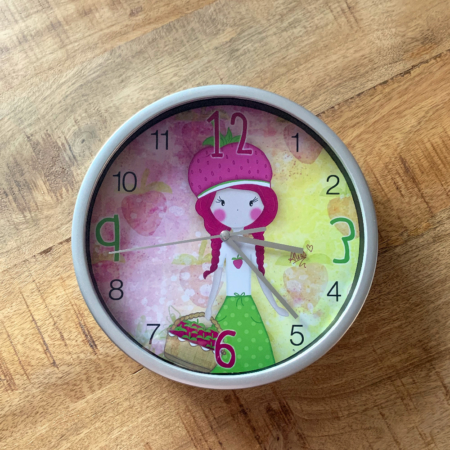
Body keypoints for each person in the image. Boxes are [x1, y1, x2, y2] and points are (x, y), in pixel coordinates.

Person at [188, 137, 288, 372]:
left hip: (248, 305)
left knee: (252, 348)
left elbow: (261, 279)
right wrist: (209, 307)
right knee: (225, 347)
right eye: (222, 202)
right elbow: (217, 278)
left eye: (250, 202)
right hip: (231, 305)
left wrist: (275, 306)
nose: (235, 210)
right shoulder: (225, 246)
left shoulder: (251, 245)